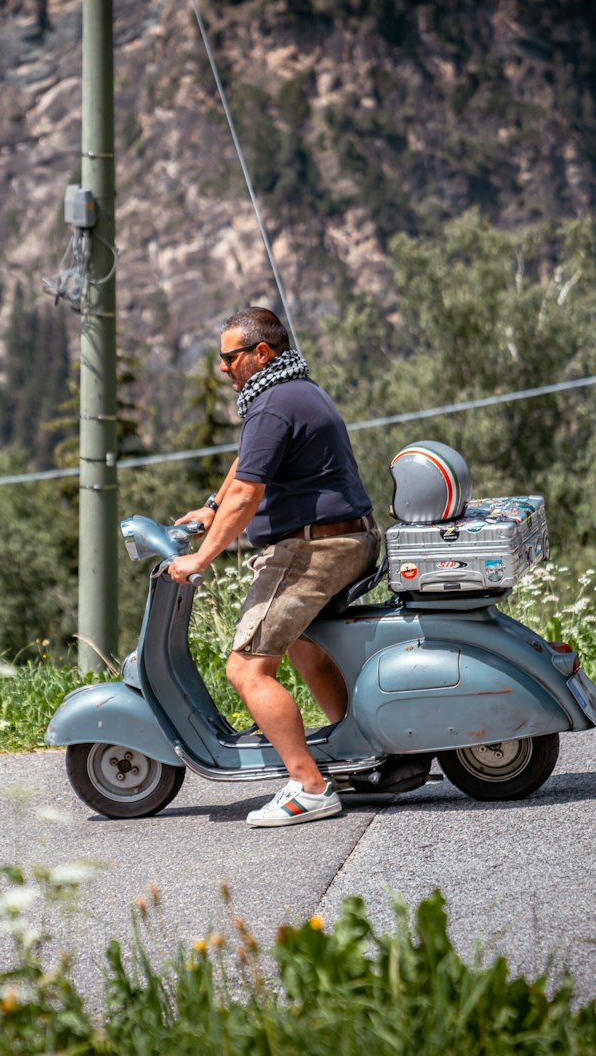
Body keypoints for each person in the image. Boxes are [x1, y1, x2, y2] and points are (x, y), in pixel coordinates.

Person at [168, 306, 379, 827]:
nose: (223, 368)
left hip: (314, 549)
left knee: (246, 667)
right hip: (350, 538)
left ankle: (309, 786)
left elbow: (248, 493)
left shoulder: (272, 403)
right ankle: (367, 755)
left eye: (229, 357)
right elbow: (248, 464)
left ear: (262, 353)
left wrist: (201, 557)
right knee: (306, 648)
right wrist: (211, 509)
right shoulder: (291, 392)